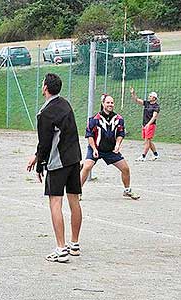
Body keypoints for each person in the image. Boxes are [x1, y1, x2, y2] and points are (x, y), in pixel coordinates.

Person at [27, 73, 83, 263]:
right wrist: (38, 156)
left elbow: (44, 142)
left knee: (55, 202)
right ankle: (74, 244)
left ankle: (61, 249)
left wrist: (39, 164)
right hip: (74, 159)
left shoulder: (45, 112)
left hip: (58, 162)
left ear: (45, 88)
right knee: (74, 200)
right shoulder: (66, 104)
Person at [80, 94, 140, 200]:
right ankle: (78, 192)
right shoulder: (94, 119)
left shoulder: (119, 119)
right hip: (96, 148)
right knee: (87, 167)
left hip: (110, 150)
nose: (110, 105)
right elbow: (89, 136)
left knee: (125, 169)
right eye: (108, 102)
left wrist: (117, 145)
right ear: (103, 104)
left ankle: (127, 190)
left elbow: (121, 134)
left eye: (112, 103)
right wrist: (94, 149)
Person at [130, 87, 161, 161]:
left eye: (150, 96)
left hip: (150, 125)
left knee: (146, 141)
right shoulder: (147, 103)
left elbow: (154, 117)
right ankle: (156, 154)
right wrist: (133, 93)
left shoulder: (156, 106)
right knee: (148, 141)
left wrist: (148, 124)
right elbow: (136, 100)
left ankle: (143, 156)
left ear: (154, 98)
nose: (149, 97)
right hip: (145, 125)